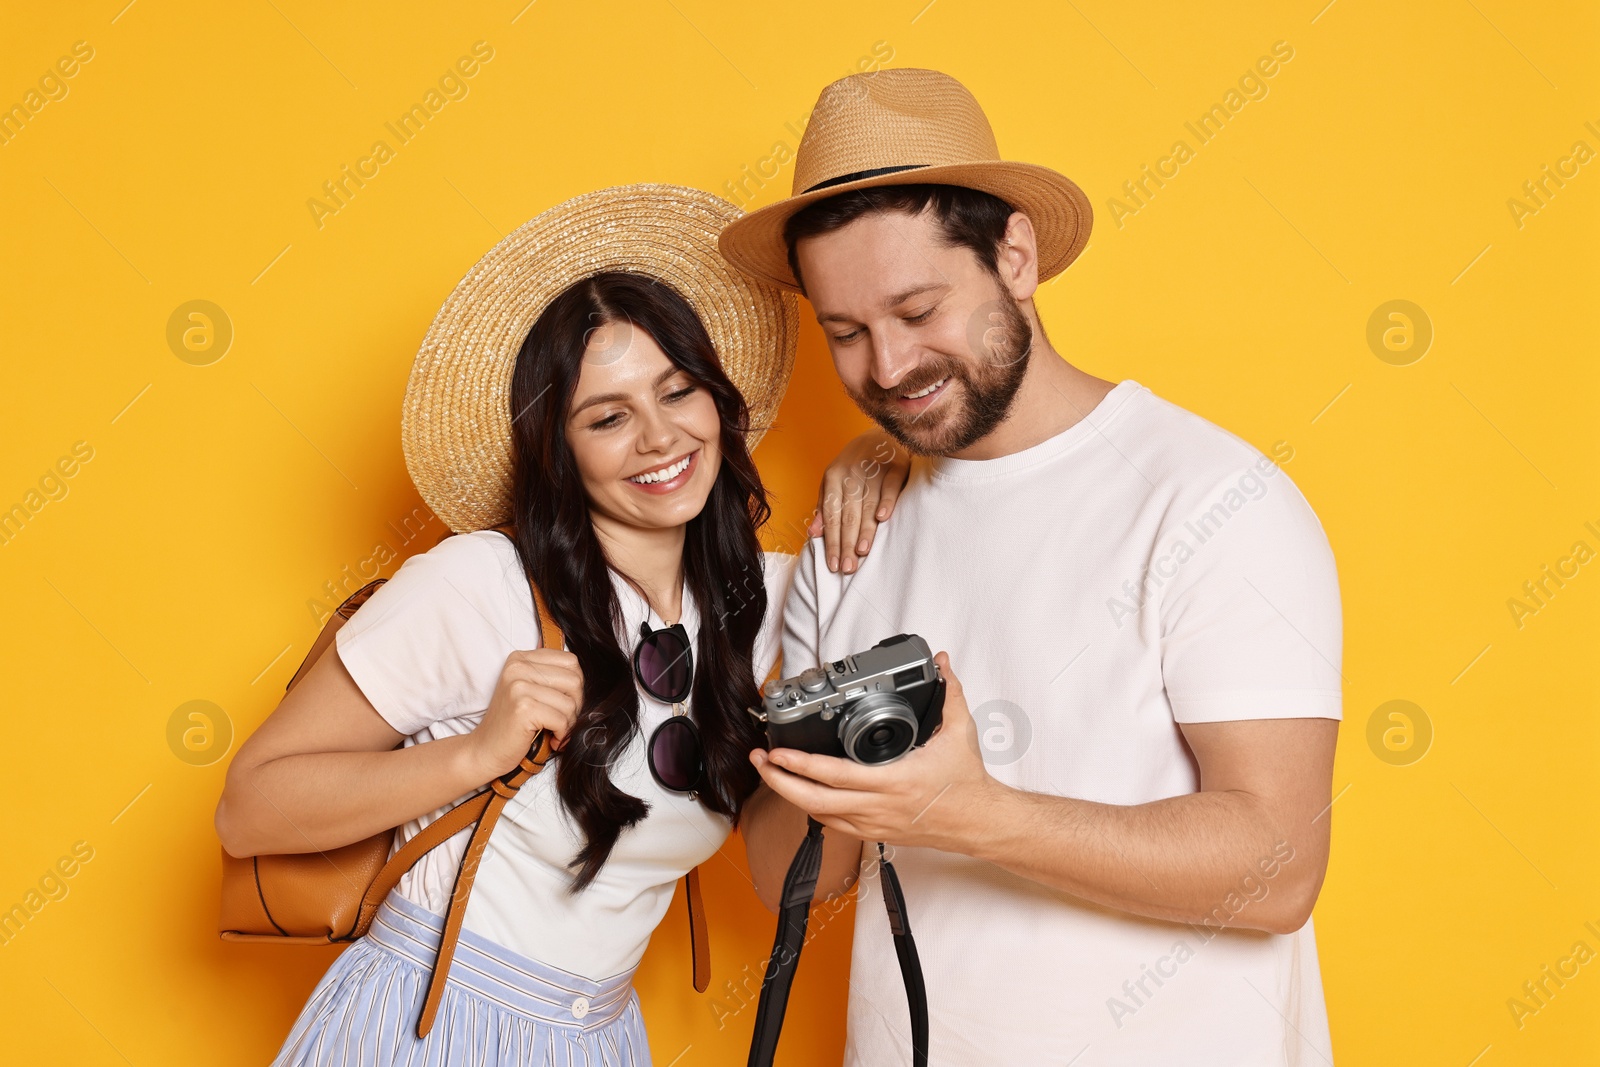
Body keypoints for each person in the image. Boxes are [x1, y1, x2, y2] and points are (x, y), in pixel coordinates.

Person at [722, 70, 1344, 1065]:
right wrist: (808, 757)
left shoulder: (1210, 500)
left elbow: (1274, 869)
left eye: (919, 308)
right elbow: (785, 876)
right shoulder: (850, 539)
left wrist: (977, 816)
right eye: (845, 331)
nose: (886, 367)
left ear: (1014, 255)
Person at [213, 184, 905, 1066]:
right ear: (561, 449)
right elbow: (249, 809)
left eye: (677, 391)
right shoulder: (482, 583)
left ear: (718, 405)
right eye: (608, 418)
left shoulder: (771, 605)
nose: (659, 437)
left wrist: (880, 455)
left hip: (600, 1039)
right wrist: (474, 753)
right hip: (430, 1026)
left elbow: (781, 881)